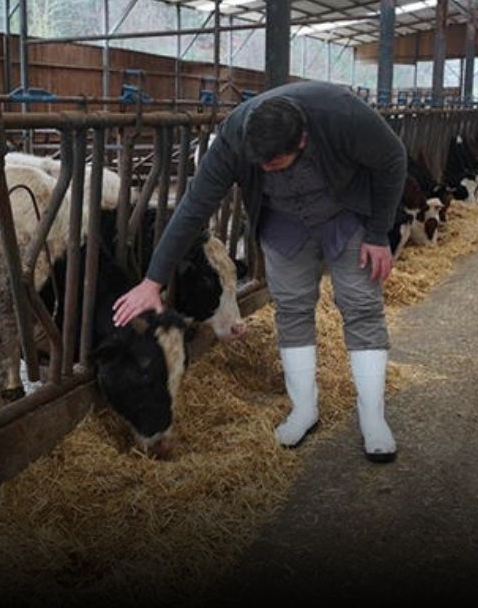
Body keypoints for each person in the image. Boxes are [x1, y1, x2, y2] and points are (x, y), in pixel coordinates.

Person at [111, 80, 405, 462]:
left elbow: (393, 158)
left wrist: (379, 231)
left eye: (273, 163)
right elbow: (194, 206)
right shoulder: (235, 138)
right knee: (292, 309)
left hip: (346, 215)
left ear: (301, 141)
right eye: (259, 163)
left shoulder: (341, 114)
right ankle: (304, 410)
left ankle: (373, 420)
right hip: (284, 223)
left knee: (361, 304)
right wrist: (153, 281)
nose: (264, 169)